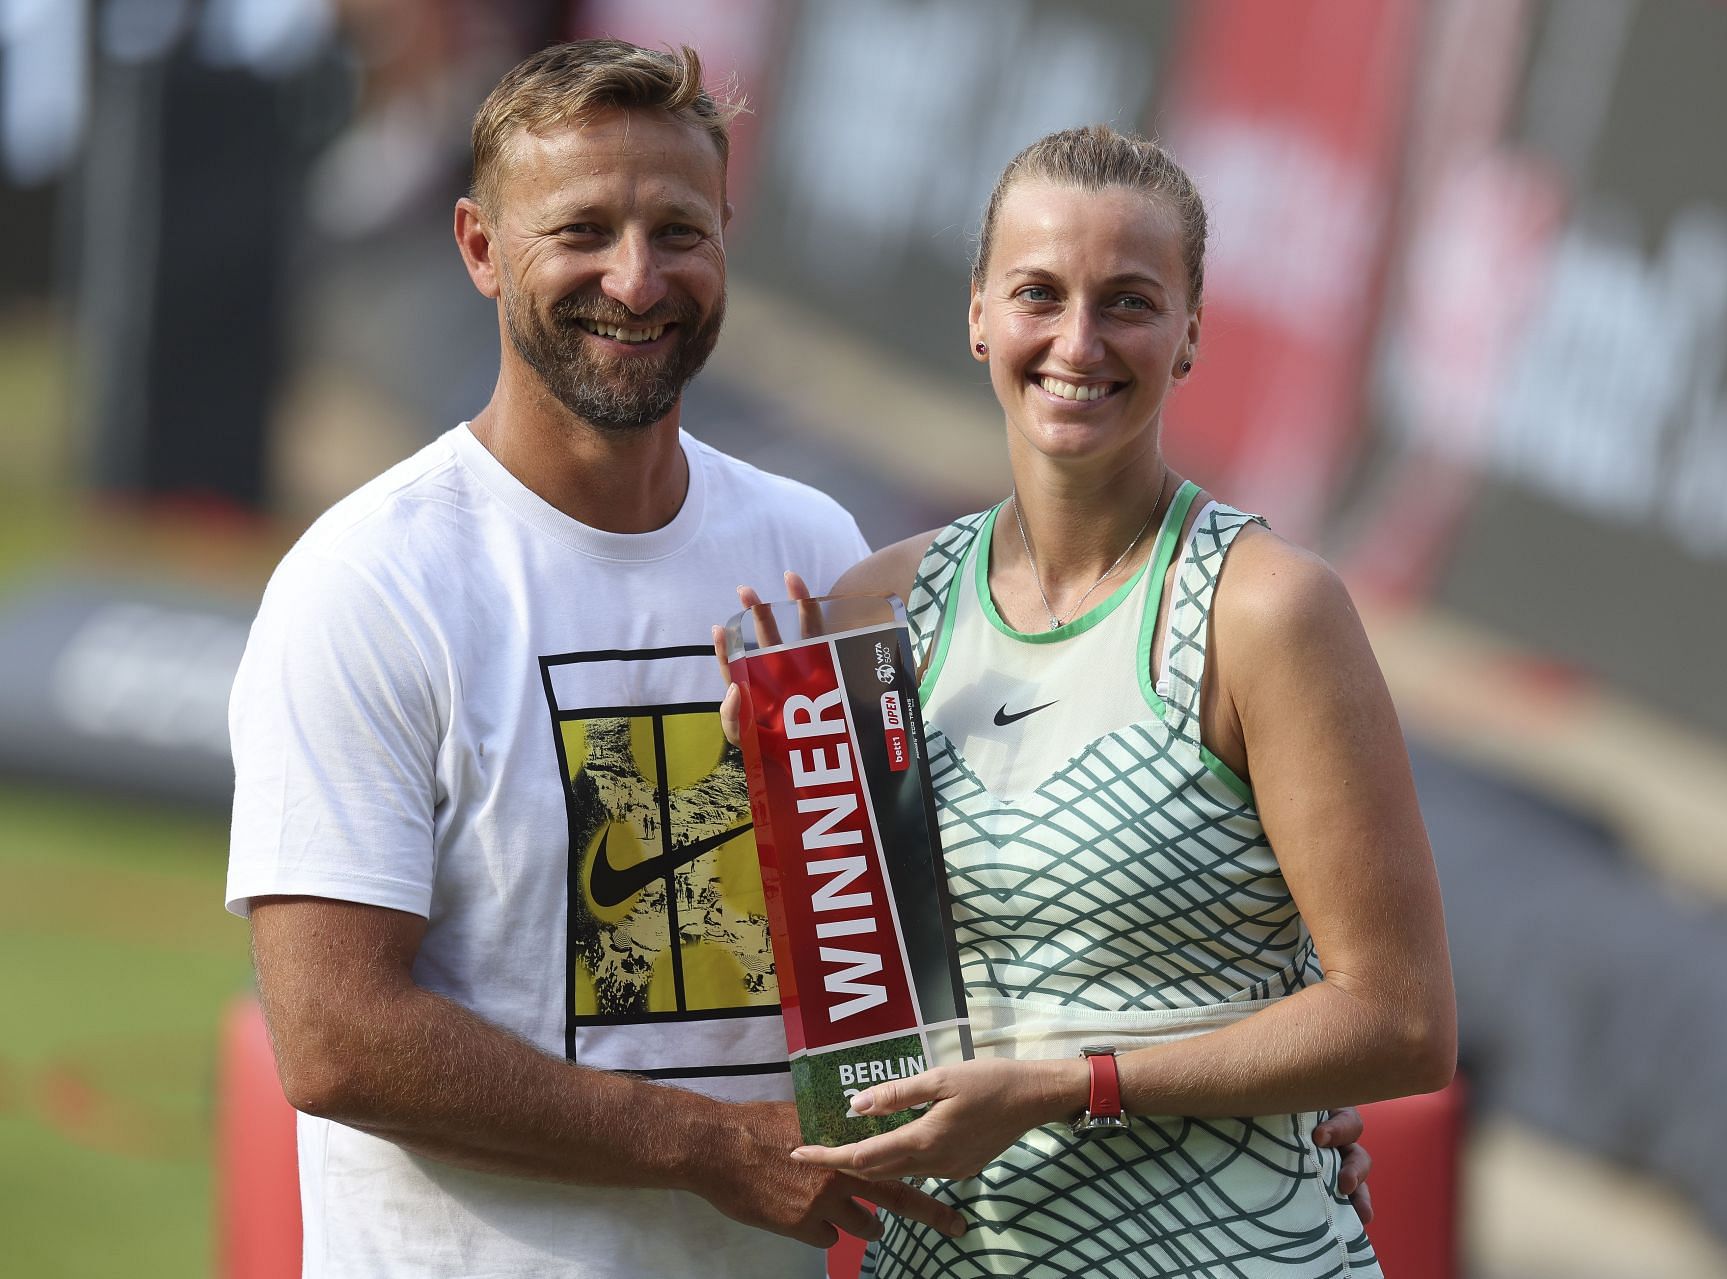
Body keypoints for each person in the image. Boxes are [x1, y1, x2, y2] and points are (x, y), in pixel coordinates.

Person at [223, 36, 1381, 1278]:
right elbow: (338, 1035)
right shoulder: (368, 585)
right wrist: (707, 1146)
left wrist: (1253, 1069)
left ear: (728, 238)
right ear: (478, 247)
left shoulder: (813, 549)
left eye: (677, 229)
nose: (634, 276)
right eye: (581, 230)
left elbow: (944, 919)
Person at [748, 126, 1456, 1277]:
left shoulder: (1265, 611)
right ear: (978, 312)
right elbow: (843, 1013)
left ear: (1191, 336)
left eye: (1128, 301)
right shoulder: (876, 608)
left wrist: (1071, 1087)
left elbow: (1402, 1021)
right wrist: (759, 819)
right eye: (1039, 292)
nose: (1078, 342)